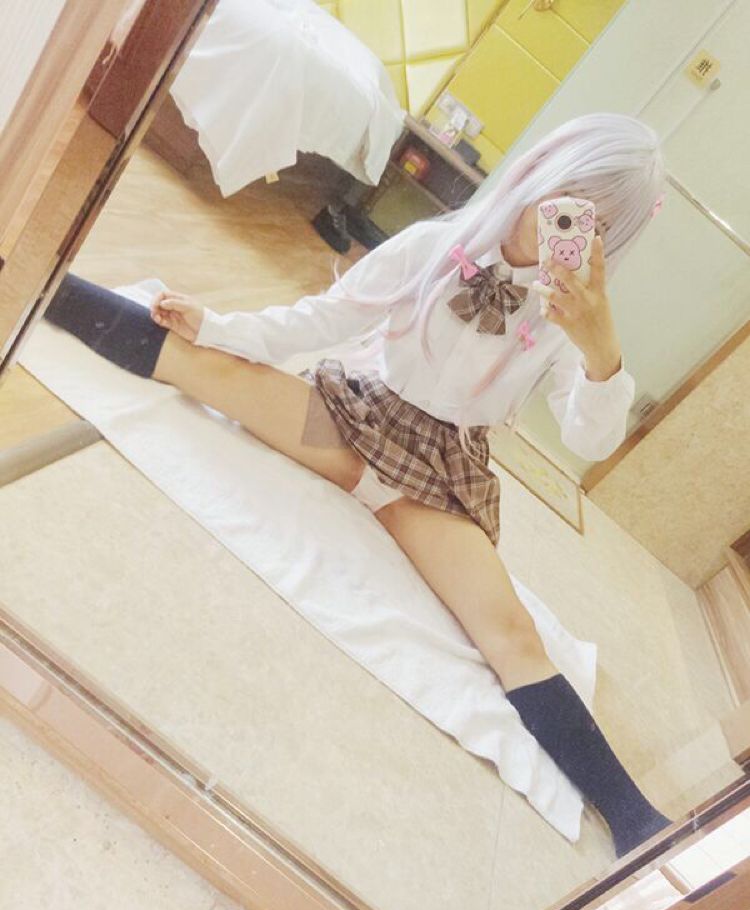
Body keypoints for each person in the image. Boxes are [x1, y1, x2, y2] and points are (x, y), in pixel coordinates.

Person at [44, 111, 673, 859]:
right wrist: (217, 326)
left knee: (511, 635)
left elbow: (588, 440)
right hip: (348, 421)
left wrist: (601, 354)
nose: (568, 227)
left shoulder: (572, 320)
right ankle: (37, 279)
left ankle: (638, 824)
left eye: (596, 225)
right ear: (540, 171)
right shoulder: (438, 246)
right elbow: (322, 319)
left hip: (439, 482)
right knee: (202, 367)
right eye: (570, 200)